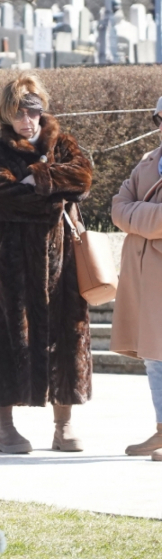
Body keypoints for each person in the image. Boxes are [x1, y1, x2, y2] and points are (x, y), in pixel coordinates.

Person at [0, 74, 93, 454]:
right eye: (19, 112)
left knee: (65, 336)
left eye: (33, 110)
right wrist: (51, 193)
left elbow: (82, 177)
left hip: (62, 263)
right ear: (6, 113)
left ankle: (64, 425)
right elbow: (1, 196)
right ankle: (4, 428)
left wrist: (36, 177)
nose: (28, 119)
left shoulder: (63, 143)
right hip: (9, 262)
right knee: (5, 337)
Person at [111, 96, 162, 462]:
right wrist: (150, 219)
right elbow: (117, 208)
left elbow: (129, 210)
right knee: (153, 357)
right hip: (145, 275)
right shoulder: (147, 161)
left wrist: (137, 217)